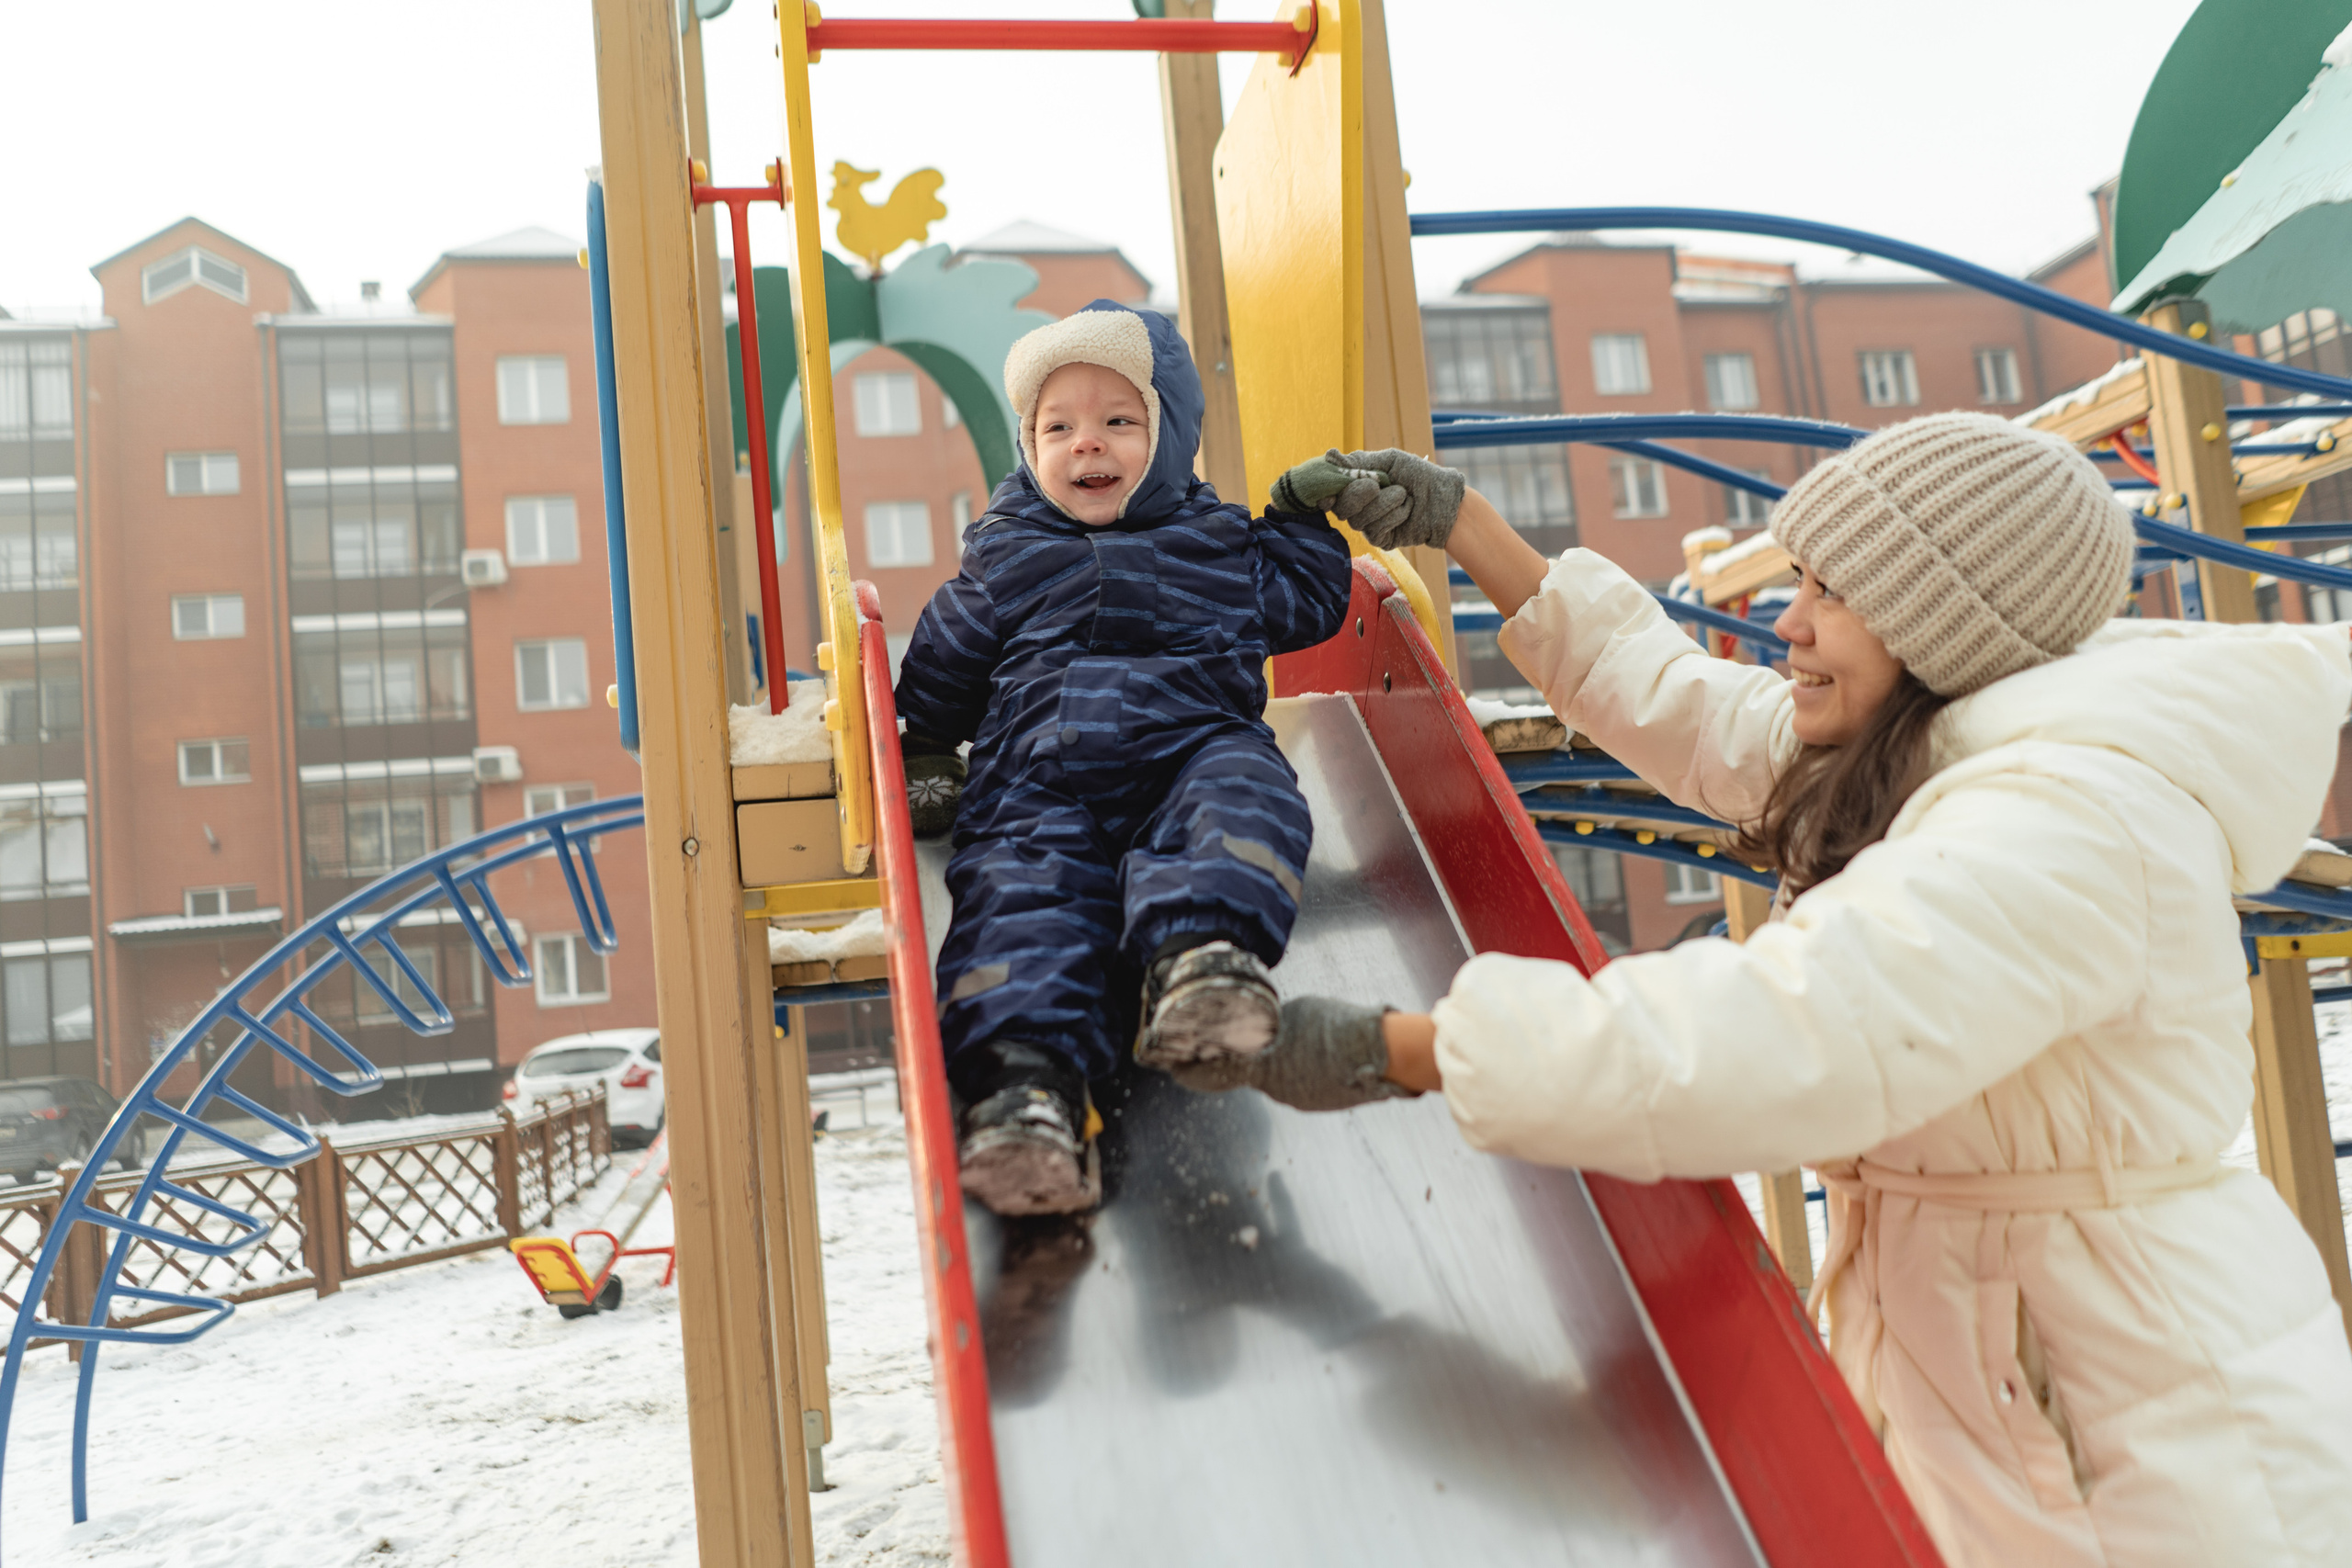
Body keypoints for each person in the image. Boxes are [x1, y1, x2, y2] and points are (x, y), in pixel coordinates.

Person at [1187, 412, 2352, 1565]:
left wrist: (1409, 1048)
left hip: (2148, 1426)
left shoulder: (2066, 820)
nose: (1787, 622)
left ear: (1937, 625)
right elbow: (1696, 710)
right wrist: (1470, 529)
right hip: (2024, 1364)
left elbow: (1798, 1031)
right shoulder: (1938, 733)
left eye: (1829, 596)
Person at [893, 300, 1378, 1216]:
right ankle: (1025, 1094)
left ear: (1171, 435)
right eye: (1058, 427)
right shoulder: (1005, 555)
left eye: (1119, 422)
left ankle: (1201, 960)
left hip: (1190, 751)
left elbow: (1308, 604)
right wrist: (920, 742)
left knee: (1246, 793)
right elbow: (944, 661)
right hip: (1037, 780)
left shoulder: (1222, 543)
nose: (1087, 446)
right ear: (1027, 447)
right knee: (1019, 902)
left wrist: (1299, 516)